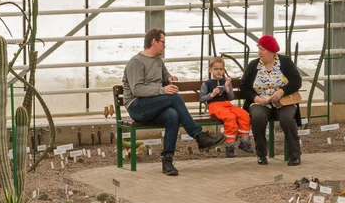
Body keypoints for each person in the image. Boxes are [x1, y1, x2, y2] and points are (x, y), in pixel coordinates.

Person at [122, 28, 226, 176]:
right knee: (175, 97)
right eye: (163, 42)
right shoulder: (136, 62)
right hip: (137, 106)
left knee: (173, 115)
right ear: (154, 42)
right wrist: (162, 90)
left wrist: (170, 79)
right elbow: (137, 89)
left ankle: (167, 161)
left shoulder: (157, 60)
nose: (165, 45)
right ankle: (199, 136)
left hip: (153, 104)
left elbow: (165, 76)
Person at [239, 35, 303, 166]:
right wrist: (256, 98)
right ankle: (261, 154)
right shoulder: (254, 65)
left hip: (284, 101)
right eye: (259, 49)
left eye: (262, 49)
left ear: (271, 50)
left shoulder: (285, 62)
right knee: (257, 118)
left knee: (287, 119)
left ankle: (295, 155)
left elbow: (297, 81)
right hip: (260, 102)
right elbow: (243, 87)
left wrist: (281, 91)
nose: (259, 52)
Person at [199, 56, 255, 158]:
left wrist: (227, 87)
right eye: (216, 69)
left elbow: (231, 97)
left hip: (227, 104)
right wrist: (211, 95)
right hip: (215, 106)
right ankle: (230, 146)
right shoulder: (206, 83)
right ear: (210, 69)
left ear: (224, 69)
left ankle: (244, 141)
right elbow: (202, 98)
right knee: (230, 118)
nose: (218, 71)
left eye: (221, 69)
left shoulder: (226, 81)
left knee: (244, 114)